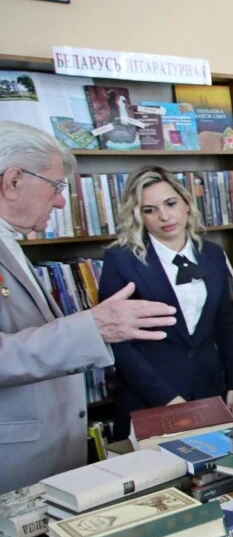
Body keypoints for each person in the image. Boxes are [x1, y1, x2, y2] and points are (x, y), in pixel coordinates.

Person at [0, 121, 178, 489]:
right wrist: (91, 328)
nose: (61, 201)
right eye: (56, 186)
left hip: (45, 453)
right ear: (13, 181)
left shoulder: (11, 240)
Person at [98, 167, 233, 435]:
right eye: (149, 209)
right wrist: (168, 399)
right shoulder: (121, 259)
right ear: (138, 216)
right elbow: (118, 343)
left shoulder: (211, 254)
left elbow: (226, 322)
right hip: (149, 394)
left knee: (213, 472)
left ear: (187, 204)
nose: (164, 216)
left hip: (209, 388)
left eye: (170, 203)